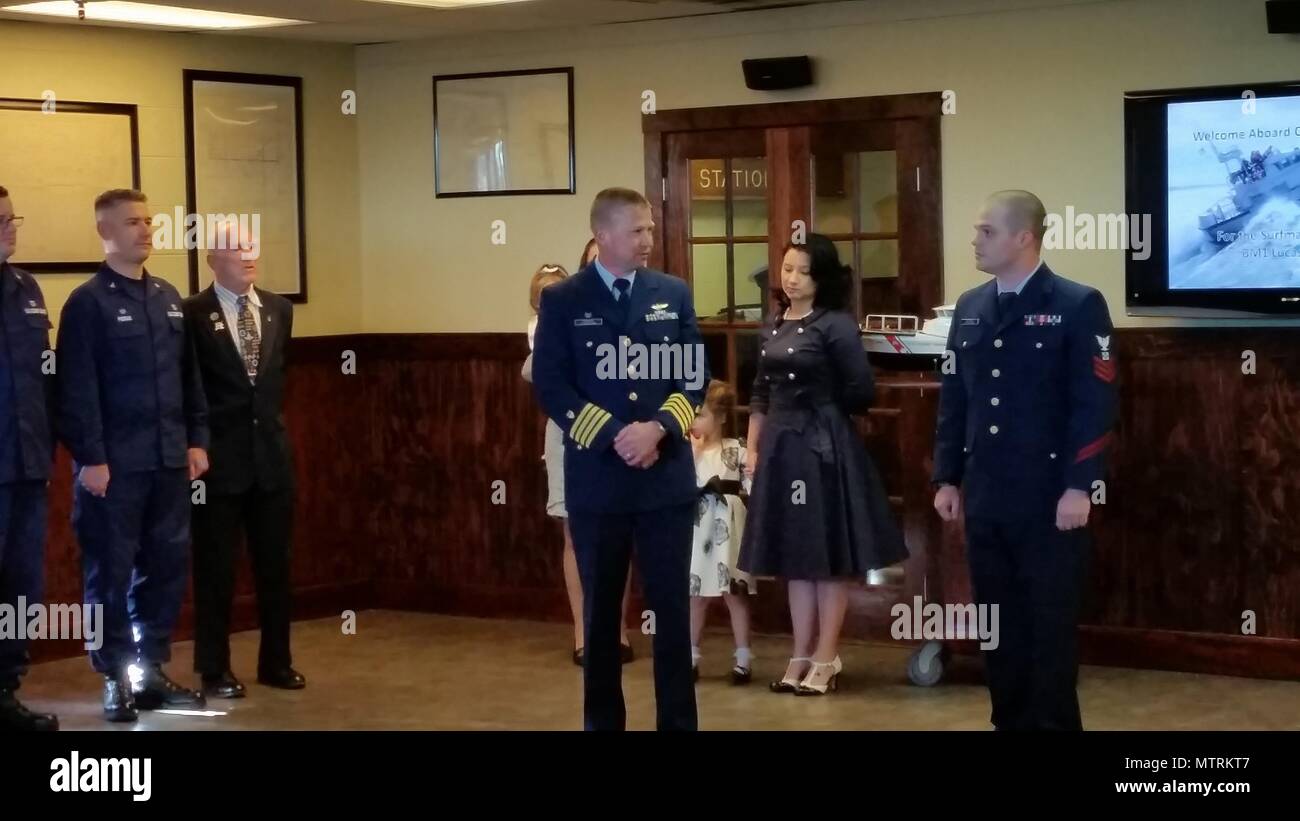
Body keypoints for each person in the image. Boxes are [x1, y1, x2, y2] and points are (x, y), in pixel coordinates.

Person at [932, 189, 1118, 731]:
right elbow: (956, 398)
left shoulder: (1077, 304)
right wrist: (947, 476)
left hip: (1050, 498)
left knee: (1049, 632)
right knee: (1000, 630)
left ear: (1024, 237)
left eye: (987, 231)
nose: (975, 239)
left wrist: (1080, 486)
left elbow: (1095, 402)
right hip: (988, 496)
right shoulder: (970, 306)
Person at [532, 187, 708, 731]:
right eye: (637, 231)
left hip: (664, 481)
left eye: (650, 229)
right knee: (602, 619)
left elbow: (694, 379)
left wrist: (656, 429)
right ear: (602, 235)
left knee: (672, 618)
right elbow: (552, 386)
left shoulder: (671, 292)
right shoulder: (565, 300)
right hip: (600, 483)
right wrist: (614, 435)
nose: (649, 240)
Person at [57, 188, 209, 722]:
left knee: (166, 568)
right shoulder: (88, 302)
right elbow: (76, 389)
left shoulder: (168, 297)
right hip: (114, 468)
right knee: (109, 574)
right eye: (131, 223)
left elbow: (188, 377)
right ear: (105, 232)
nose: (145, 231)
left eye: (148, 221)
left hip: (168, 460)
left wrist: (196, 439)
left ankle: (151, 672)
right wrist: (91, 458)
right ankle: (113, 676)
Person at [738, 233, 907, 696]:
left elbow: (862, 391)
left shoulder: (836, 324)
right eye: (787, 268)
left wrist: (823, 408)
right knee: (796, 557)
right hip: (779, 445)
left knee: (826, 555)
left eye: (802, 271)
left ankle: (826, 655)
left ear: (822, 278)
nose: (791, 278)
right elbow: (760, 391)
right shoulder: (772, 323)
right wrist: (752, 448)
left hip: (823, 446)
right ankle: (799, 653)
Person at [184, 219, 305, 699]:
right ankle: (214, 667)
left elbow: (275, 384)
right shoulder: (193, 313)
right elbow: (189, 384)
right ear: (213, 258)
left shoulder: (278, 309)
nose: (248, 254)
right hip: (216, 461)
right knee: (215, 569)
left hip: (271, 458)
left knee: (275, 565)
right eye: (235, 248)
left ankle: (277, 661)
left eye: (252, 245)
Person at [522, 263, 634, 666]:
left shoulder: (630, 309)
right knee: (575, 531)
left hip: (622, 427)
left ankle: (617, 631)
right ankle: (584, 634)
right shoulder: (557, 315)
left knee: (617, 532)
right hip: (569, 430)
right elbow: (539, 371)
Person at [0, 186, 58, 731]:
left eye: (10, 217)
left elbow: (46, 376)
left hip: (26, 464)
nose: (10, 228)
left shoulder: (26, 288)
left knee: (21, 585)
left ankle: (5, 691)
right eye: (0, 221)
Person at [687, 379, 754, 684]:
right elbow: (680, 486)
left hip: (730, 527)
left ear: (722, 417)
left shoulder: (736, 449)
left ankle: (742, 658)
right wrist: (694, 454)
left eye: (700, 414)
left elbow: (752, 485)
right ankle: (690, 656)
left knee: (735, 595)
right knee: (696, 595)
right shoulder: (687, 451)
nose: (694, 421)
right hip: (699, 527)